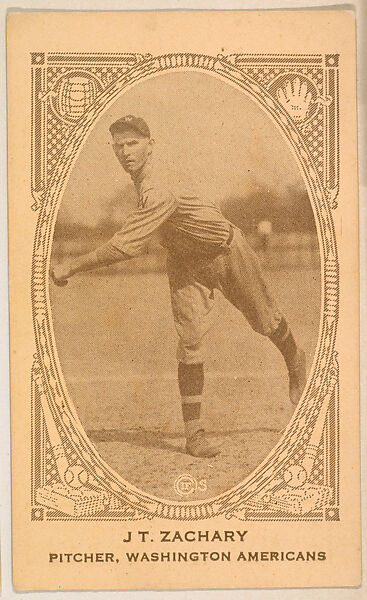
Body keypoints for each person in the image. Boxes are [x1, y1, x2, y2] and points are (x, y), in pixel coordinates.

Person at [51, 115, 307, 458]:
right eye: (119, 145)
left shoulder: (158, 188)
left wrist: (71, 265)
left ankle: (294, 357)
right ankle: (195, 435)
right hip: (186, 262)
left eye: (134, 143)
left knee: (266, 322)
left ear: (150, 145)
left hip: (227, 250)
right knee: (189, 342)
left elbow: (126, 247)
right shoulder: (144, 182)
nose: (126, 152)